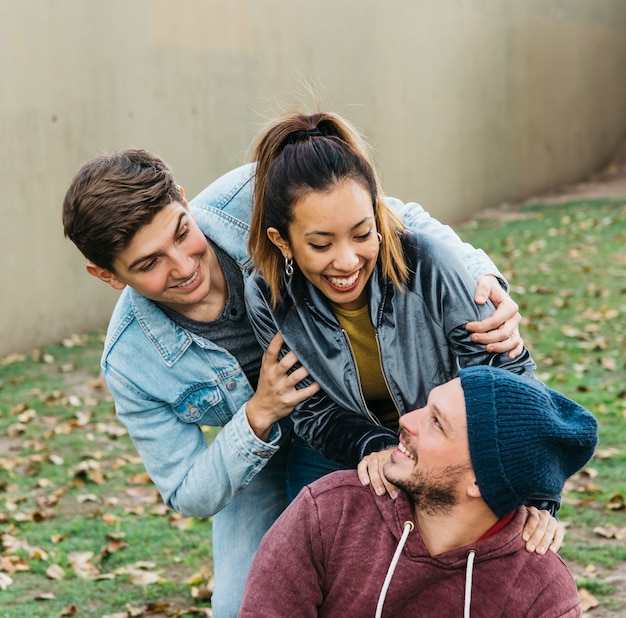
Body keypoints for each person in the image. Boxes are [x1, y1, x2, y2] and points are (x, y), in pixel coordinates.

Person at [62, 147, 540, 617]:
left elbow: (394, 217)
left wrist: (483, 280)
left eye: (182, 233)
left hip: (345, 405)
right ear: (107, 275)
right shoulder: (128, 361)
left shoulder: (256, 190)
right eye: (149, 264)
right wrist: (259, 414)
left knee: (388, 555)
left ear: (184, 200)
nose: (184, 267)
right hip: (253, 450)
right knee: (239, 606)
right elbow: (187, 490)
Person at [245, 110, 557, 515]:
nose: (347, 261)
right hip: (340, 446)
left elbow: (507, 377)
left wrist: (539, 500)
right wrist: (374, 447)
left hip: (445, 443)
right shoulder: (268, 296)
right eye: (321, 245)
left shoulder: (429, 263)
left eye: (361, 234)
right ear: (281, 241)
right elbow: (312, 411)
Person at [239, 366, 598, 617]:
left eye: (436, 423)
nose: (407, 420)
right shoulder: (328, 512)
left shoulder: (542, 592)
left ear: (480, 483)